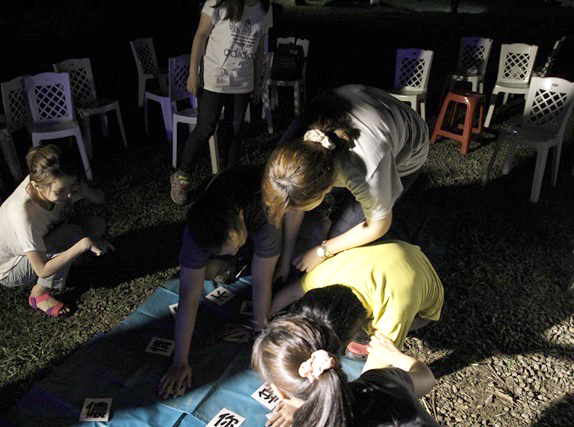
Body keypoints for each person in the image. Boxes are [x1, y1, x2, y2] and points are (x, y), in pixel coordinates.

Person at [262, 84, 429, 283]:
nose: (296, 210)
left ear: (327, 188)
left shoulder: (366, 171)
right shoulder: (290, 149)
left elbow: (378, 225)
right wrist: (285, 257)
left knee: (342, 238)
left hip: (409, 141)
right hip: (369, 107)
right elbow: (293, 199)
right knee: (315, 226)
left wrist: (323, 250)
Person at [159, 166, 281, 399]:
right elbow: (189, 298)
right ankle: (235, 261)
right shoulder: (197, 233)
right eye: (228, 251)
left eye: (235, 246)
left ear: (241, 217)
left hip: (269, 215)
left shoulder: (265, 214)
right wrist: (180, 361)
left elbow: (261, 281)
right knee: (207, 272)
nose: (234, 251)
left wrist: (258, 331)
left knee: (278, 270)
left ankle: (246, 256)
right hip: (236, 225)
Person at [252, 294, 440, 427]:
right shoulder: (381, 382)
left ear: (279, 392)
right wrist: (394, 356)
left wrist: (300, 406)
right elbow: (427, 378)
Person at [268, 240, 443, 372]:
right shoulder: (324, 275)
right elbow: (290, 293)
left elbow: (376, 369)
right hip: (399, 253)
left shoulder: (392, 313)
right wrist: (265, 324)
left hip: (424, 308)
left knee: (359, 348)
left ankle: (360, 345)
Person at [0, 145, 114, 317]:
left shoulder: (53, 179)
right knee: (70, 235)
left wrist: (86, 191)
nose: (69, 195)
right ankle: (39, 294)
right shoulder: (23, 215)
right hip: (9, 267)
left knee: (96, 226)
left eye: (71, 186)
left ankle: (69, 258)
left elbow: (100, 198)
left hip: (45, 236)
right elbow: (42, 270)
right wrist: (83, 244)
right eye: (61, 191)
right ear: (36, 186)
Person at [170, 0, 273, 205]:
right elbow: (201, 35)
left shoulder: (264, 8)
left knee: (235, 130)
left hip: (242, 81)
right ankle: (181, 176)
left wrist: (257, 82)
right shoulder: (219, 2)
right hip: (214, 78)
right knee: (205, 128)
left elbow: (260, 49)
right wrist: (193, 72)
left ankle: (229, 179)